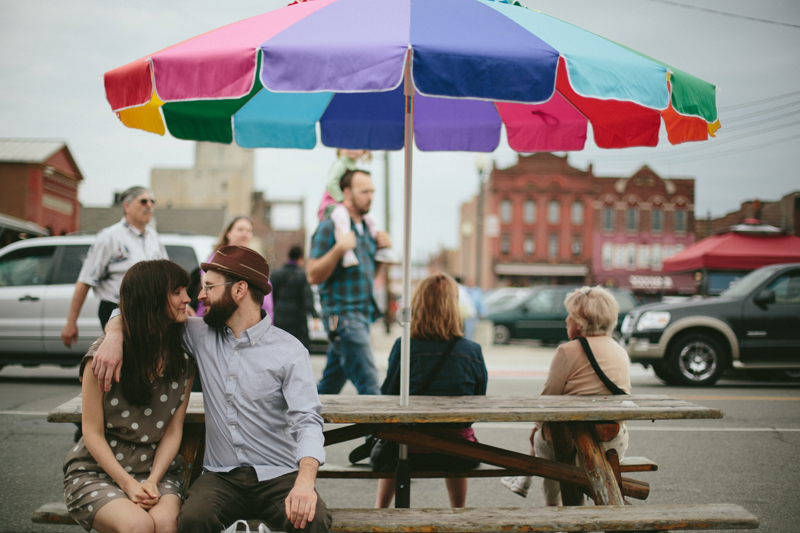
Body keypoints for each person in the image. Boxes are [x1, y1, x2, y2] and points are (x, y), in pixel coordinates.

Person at [93, 245, 331, 533]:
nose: (200, 295)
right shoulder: (197, 333)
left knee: (312, 520)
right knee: (192, 520)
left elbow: (307, 421)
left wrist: (305, 484)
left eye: (209, 287)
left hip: (279, 474)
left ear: (239, 290)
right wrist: (115, 332)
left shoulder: (290, 351)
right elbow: (141, 305)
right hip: (221, 477)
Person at [62, 260, 196, 533]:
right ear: (152, 298)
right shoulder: (103, 358)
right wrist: (128, 484)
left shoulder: (183, 360)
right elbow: (92, 433)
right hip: (98, 471)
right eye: (177, 291)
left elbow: (173, 432)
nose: (188, 299)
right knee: (138, 525)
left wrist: (152, 481)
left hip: (156, 470)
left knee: (166, 524)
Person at [500, 286, 631, 504]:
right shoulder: (620, 351)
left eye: (570, 315)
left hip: (570, 448)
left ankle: (554, 508)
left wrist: (537, 428)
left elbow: (546, 402)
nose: (566, 320)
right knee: (549, 431)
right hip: (612, 443)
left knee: (545, 432)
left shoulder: (567, 351)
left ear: (581, 322)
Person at [374, 273, 488, 508]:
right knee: (458, 435)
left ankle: (380, 509)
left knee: (394, 436)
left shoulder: (404, 346)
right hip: (458, 453)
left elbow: (389, 396)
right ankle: (459, 511)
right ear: (454, 308)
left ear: (418, 306)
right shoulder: (472, 351)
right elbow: (477, 404)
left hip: (408, 451)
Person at [308, 169, 393, 395]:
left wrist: (382, 253)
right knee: (371, 388)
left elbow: (367, 277)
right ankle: (377, 432)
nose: (370, 196)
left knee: (329, 386)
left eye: (372, 191)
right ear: (347, 193)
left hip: (362, 316)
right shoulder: (330, 226)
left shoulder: (367, 228)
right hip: (343, 317)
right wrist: (339, 249)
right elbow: (312, 274)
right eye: (364, 191)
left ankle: (292, 425)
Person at [62, 186, 167, 346]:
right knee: (124, 360)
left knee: (146, 362)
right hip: (118, 310)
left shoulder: (154, 237)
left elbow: (166, 276)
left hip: (150, 311)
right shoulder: (109, 237)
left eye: (153, 202)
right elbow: (85, 280)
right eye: (143, 201)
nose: (149, 206)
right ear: (127, 206)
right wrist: (71, 322)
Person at [318, 149, 395, 267]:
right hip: (332, 202)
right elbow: (331, 184)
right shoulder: (340, 164)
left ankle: (381, 246)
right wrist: (342, 200)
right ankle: (347, 252)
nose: (351, 149)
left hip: (345, 203)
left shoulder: (353, 167)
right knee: (342, 217)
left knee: (371, 219)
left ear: (364, 152)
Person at [193, 216, 273, 318]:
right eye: (240, 229)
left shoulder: (252, 261)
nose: (245, 234)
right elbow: (209, 289)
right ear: (228, 233)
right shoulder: (217, 258)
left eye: (249, 230)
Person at [271, 245, 318, 349]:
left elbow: (271, 297)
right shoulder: (302, 276)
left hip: (279, 317)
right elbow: (308, 298)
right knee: (297, 349)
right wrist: (315, 316)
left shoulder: (276, 274)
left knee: (280, 348)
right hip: (297, 320)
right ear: (300, 258)